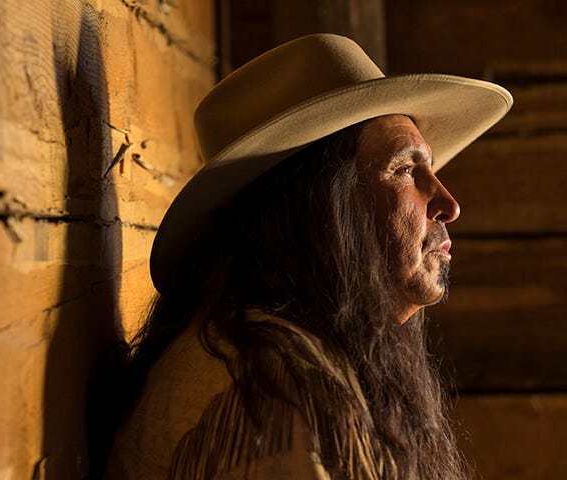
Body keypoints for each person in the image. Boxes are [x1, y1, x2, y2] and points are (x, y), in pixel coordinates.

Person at [102, 34, 512, 479]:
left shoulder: (299, 357)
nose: (448, 204)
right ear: (318, 207)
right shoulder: (265, 393)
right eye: (406, 171)